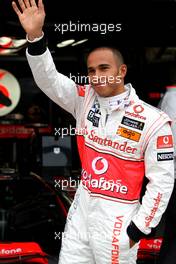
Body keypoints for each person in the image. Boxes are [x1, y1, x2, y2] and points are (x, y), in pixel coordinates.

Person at [12, 1, 175, 263]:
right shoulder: (84, 99)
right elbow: (50, 79)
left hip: (119, 219)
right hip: (82, 214)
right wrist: (35, 37)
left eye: (104, 69)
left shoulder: (153, 120)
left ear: (121, 71)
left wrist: (139, 228)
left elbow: (163, 181)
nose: (96, 76)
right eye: (91, 71)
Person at [158, 80, 176, 264]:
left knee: (171, 236)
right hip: (172, 178)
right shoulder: (173, 99)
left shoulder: (169, 98)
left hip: (169, 178)